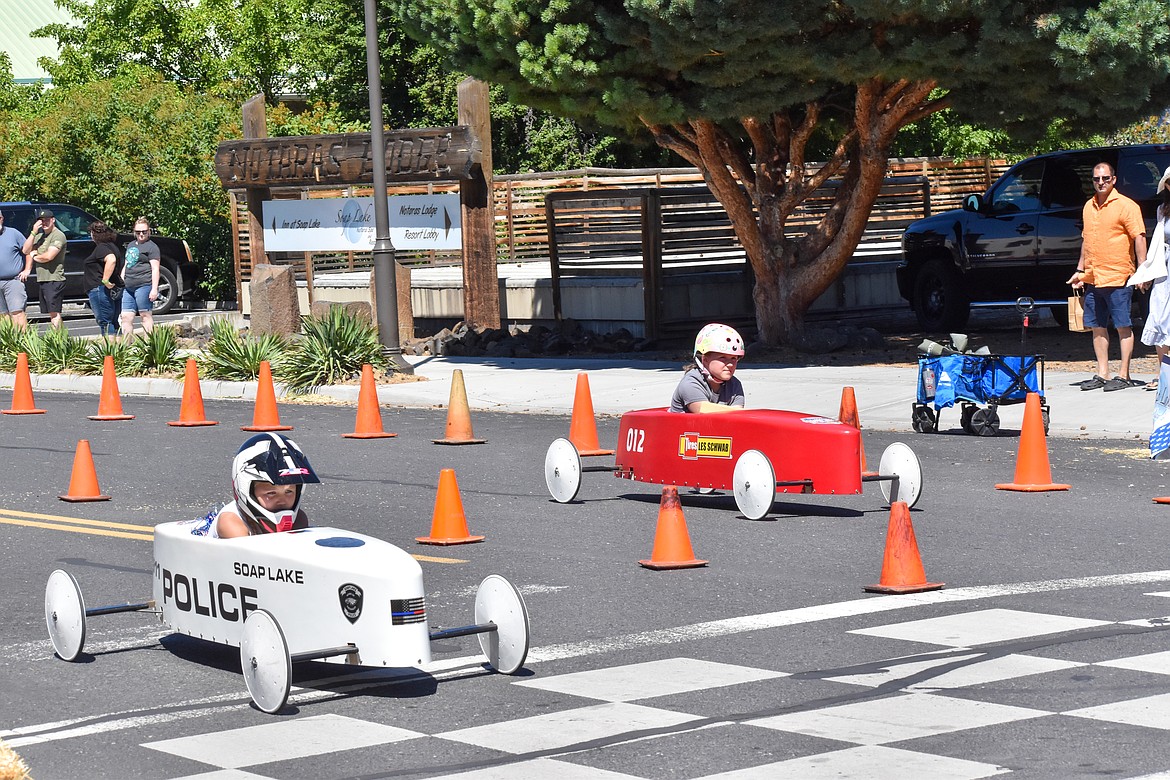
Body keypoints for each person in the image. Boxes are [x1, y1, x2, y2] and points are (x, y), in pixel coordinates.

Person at [1067, 162, 1148, 391]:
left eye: (1105, 178)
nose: (1100, 182)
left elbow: (1139, 237)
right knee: (1096, 326)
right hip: (1094, 277)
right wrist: (1080, 270)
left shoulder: (1126, 206)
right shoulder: (1088, 206)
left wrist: (1142, 270)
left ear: (1113, 179)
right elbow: (1086, 240)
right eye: (1096, 179)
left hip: (1119, 275)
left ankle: (1123, 374)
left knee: (1123, 326)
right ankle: (1102, 373)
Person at [191, 433, 320, 539]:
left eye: (289, 492)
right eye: (271, 493)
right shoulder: (231, 523)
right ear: (248, 491)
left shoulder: (299, 520)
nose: (282, 501)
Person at [1132, 166, 1170, 392]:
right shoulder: (1162, 210)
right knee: (1159, 316)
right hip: (1165, 269)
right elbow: (1156, 244)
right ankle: (1164, 374)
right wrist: (1146, 273)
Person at [670, 322, 746, 413]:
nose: (730, 364)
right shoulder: (691, 382)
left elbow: (738, 417)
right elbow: (703, 412)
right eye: (722, 357)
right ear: (705, 359)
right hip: (684, 427)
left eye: (734, 358)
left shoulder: (734, 385)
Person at [21, 208, 67, 328]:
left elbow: (48, 257)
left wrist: (34, 254)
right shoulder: (40, 235)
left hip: (54, 279)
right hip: (43, 279)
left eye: (47, 220)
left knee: (54, 313)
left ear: (53, 220)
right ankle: (58, 339)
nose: (44, 223)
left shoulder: (58, 235)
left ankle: (61, 341)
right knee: (51, 313)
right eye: (42, 221)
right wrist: (33, 232)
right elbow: (25, 250)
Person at [119, 216, 160, 339]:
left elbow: (155, 269)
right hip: (128, 286)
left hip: (144, 285)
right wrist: (121, 281)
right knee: (126, 316)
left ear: (149, 232)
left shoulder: (152, 247)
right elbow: (127, 264)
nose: (141, 234)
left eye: (144, 232)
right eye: (138, 232)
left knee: (145, 315)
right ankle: (127, 347)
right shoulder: (131, 245)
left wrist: (154, 289)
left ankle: (148, 345)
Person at [82, 221, 123, 337]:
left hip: (100, 289)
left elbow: (111, 259)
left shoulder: (101, 248)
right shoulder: (112, 246)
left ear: (93, 234)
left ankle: (109, 353)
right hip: (113, 288)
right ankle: (119, 352)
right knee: (114, 322)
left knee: (105, 322)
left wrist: (105, 280)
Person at [0, 212, 31, 329]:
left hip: (13, 281)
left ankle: (22, 343)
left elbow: (28, 251)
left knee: (17, 312)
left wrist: (27, 269)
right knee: (2, 316)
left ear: (2, 219)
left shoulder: (14, 233)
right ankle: (9, 343)